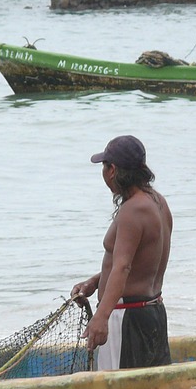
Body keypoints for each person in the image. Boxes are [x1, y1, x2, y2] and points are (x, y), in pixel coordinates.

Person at [70, 135, 173, 371]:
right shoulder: (158, 202)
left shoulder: (132, 210)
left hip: (127, 318)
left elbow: (123, 266)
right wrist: (96, 281)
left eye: (104, 167)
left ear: (112, 170)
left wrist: (101, 318)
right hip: (152, 312)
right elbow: (143, 260)